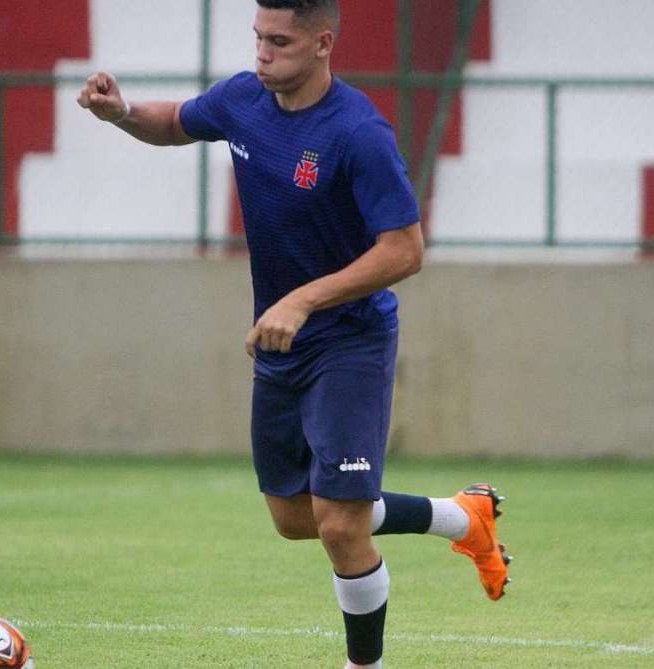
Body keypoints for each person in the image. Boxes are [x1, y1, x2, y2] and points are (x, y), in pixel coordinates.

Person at [78, 1, 510, 666]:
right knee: (292, 517)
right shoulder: (244, 99)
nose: (262, 54)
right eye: (257, 38)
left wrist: (304, 299)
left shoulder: (358, 133)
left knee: (340, 522)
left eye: (278, 41)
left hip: (351, 341)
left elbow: (405, 250)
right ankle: (462, 517)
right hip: (282, 345)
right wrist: (124, 113)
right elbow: (173, 124)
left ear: (322, 43)